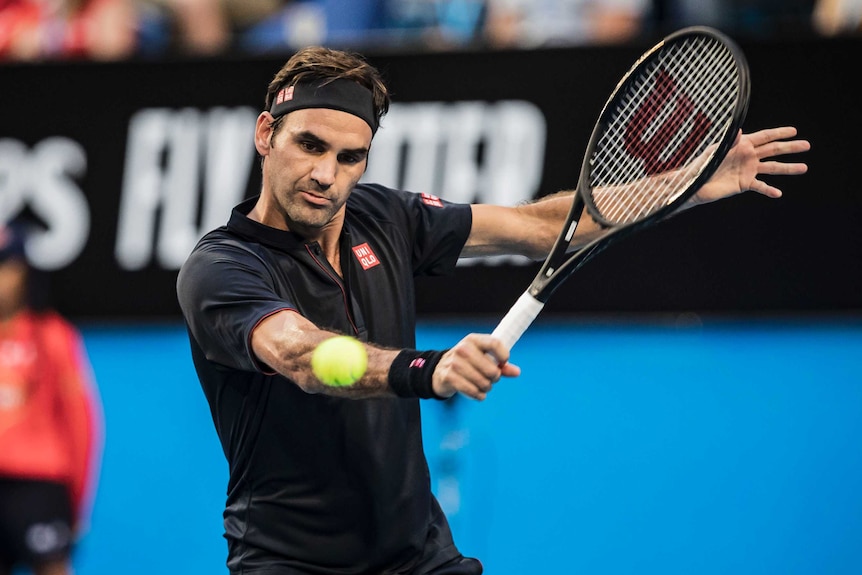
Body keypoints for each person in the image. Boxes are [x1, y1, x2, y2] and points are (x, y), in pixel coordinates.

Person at [176, 45, 810, 574]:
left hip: (418, 555)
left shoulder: (385, 216)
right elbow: (303, 355)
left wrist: (686, 183)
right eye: (309, 146)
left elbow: (538, 226)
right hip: (292, 563)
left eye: (350, 157)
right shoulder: (222, 268)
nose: (328, 175)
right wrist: (429, 371)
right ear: (266, 134)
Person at [0, 222, 103, 575]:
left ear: (24, 271)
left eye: (6, 266)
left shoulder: (53, 336)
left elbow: (80, 421)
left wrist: (77, 503)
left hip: (39, 487)